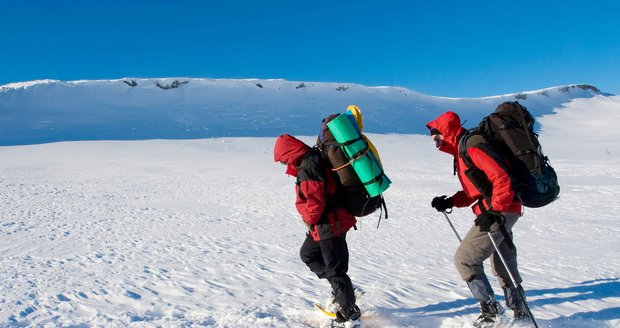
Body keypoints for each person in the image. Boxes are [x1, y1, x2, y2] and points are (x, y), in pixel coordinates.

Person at [426, 111, 530, 326]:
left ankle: (491, 312)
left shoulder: (471, 146)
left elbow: (501, 177)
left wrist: (495, 211)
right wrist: (451, 201)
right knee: (504, 261)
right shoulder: (463, 148)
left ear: (445, 133)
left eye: (436, 137)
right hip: (505, 207)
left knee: (465, 259)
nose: (435, 143)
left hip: (501, 209)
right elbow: (479, 189)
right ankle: (521, 312)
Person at [273, 134, 361, 324]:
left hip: (330, 224)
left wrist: (308, 218)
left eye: (283, 160)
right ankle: (342, 290)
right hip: (324, 225)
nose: (283, 164)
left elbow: (315, 203)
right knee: (308, 254)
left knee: (336, 269)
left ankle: (349, 314)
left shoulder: (309, 166)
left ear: (289, 153)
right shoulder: (311, 160)